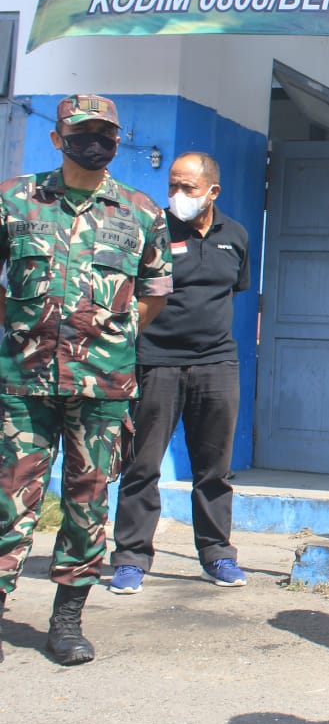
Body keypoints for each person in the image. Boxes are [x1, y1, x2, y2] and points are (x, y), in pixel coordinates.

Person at [0, 95, 172, 665]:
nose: (94, 141)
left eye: (105, 133)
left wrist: (106, 339)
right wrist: (27, 330)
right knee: (9, 501)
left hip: (102, 388)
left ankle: (67, 620)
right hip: (23, 383)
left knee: (88, 501)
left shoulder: (141, 212)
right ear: (59, 137)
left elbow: (153, 295)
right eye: (83, 131)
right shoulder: (14, 200)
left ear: (117, 142)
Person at [108, 152, 252, 594]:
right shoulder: (154, 228)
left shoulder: (237, 236)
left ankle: (217, 556)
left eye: (188, 188)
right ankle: (132, 559)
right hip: (157, 362)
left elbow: (235, 289)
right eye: (173, 185)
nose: (177, 196)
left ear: (212, 192)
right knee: (142, 465)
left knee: (214, 469)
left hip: (217, 364)